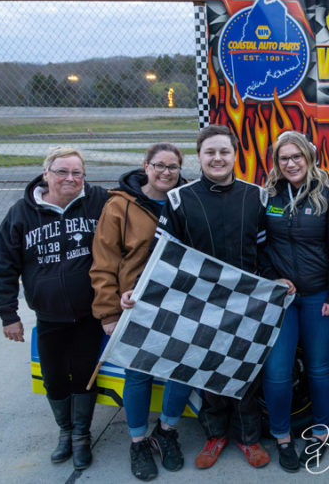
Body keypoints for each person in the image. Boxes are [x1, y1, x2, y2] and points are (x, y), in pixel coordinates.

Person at [121, 125, 291, 471]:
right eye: (210, 152)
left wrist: (276, 279)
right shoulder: (179, 199)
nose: (217, 158)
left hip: (247, 304)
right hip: (199, 306)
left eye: (224, 152)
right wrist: (138, 290)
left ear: (234, 156)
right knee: (208, 372)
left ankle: (249, 439)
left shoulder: (255, 197)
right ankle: (214, 436)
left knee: (246, 373)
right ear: (199, 157)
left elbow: (262, 251)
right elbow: (161, 256)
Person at [0, 146, 109, 470]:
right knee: (54, 377)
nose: (70, 178)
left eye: (77, 173)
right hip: (49, 315)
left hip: (89, 314)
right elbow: (3, 265)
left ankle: (82, 436)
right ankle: (65, 432)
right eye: (62, 171)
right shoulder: (22, 213)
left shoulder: (98, 201)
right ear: (46, 174)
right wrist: (8, 315)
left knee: (85, 376)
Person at [90, 143, 192, 480]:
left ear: (180, 169)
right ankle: (137, 441)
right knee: (139, 374)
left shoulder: (187, 200)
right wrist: (108, 312)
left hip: (181, 303)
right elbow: (104, 262)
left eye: (173, 167)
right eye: (159, 165)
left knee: (182, 371)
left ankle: (166, 431)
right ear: (145, 166)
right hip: (136, 305)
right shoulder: (119, 206)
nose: (166, 173)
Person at [261, 131, 329, 472]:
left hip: (319, 298)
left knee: (319, 366)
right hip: (282, 298)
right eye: (284, 158)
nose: (291, 163)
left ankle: (319, 433)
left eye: (296, 156)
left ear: (309, 157)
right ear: (276, 162)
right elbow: (259, 245)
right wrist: (273, 276)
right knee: (278, 370)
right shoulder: (268, 194)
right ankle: (282, 437)